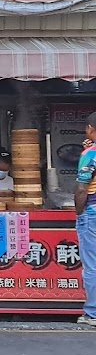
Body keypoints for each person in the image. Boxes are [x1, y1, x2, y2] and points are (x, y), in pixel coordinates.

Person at [75, 112, 96, 327]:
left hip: (92, 214)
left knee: (92, 266)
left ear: (90, 128)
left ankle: (93, 313)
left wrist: (79, 212)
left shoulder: (91, 154)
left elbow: (82, 187)